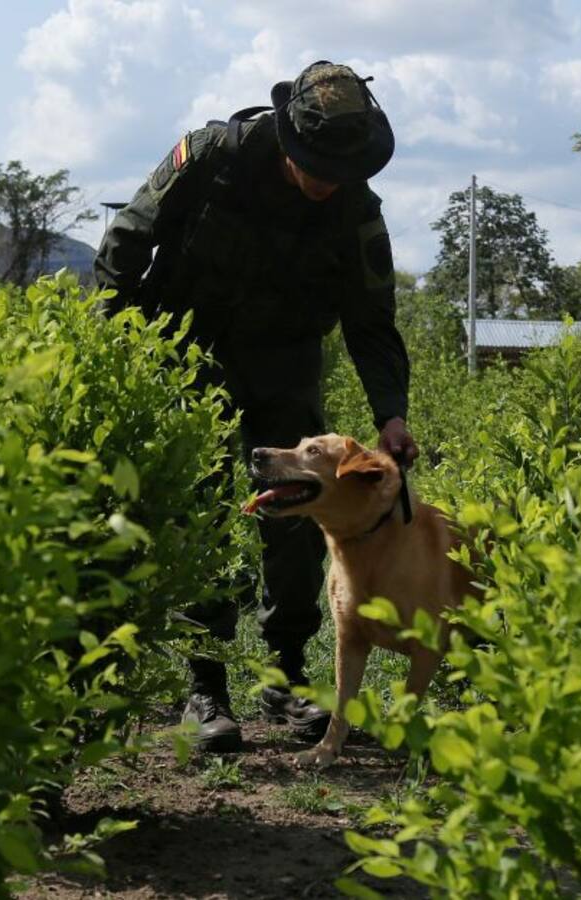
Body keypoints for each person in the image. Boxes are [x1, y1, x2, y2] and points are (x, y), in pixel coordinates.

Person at [94, 61, 417, 753]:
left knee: (302, 518)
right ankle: (205, 688)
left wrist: (391, 411)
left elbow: (372, 322)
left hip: (285, 365)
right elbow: (124, 243)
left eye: (341, 166)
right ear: (288, 138)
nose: (326, 178)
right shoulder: (212, 158)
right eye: (315, 164)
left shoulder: (356, 209)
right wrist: (119, 344)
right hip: (186, 355)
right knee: (200, 515)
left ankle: (287, 679)